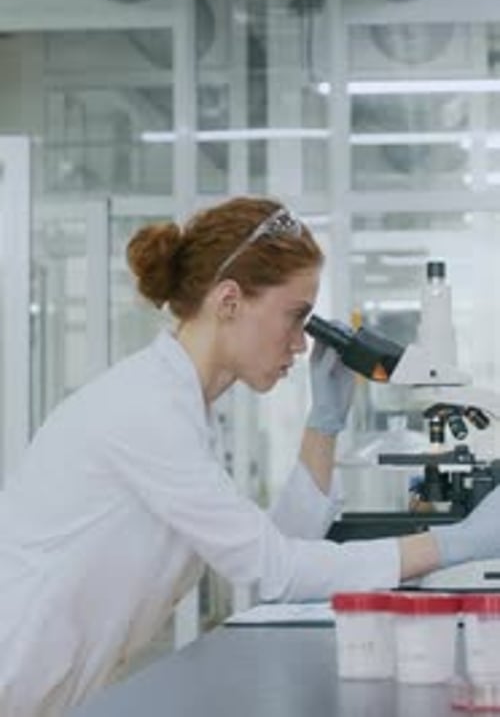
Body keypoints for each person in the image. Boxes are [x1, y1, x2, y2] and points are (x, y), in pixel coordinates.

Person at [0, 195, 499, 716]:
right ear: (229, 301)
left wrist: (323, 426)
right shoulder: (147, 410)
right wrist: (456, 543)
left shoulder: (185, 408)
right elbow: (274, 569)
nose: (301, 345)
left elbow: (275, 548)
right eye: (295, 317)